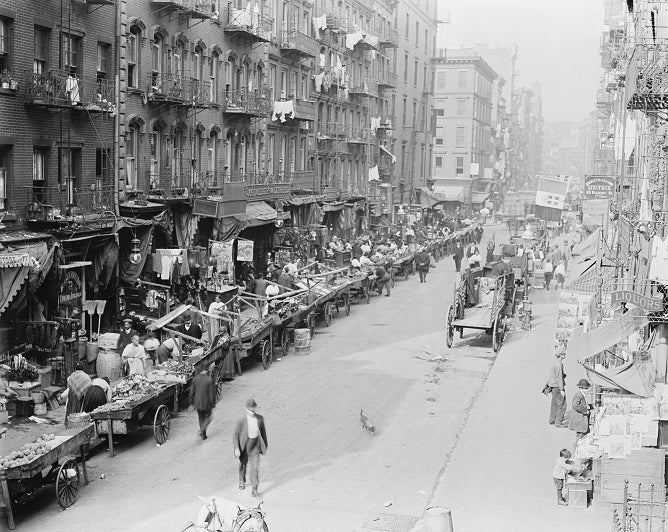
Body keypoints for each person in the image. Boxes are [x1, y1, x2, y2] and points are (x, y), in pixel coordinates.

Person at [233, 398, 268, 497]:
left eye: (253, 410)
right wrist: (236, 448)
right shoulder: (241, 420)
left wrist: (265, 445)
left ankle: (254, 488)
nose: (252, 412)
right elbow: (235, 434)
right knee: (243, 464)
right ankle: (241, 480)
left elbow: (263, 433)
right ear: (246, 410)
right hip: (244, 446)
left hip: (255, 446)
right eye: (250, 410)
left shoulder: (260, 419)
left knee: (255, 468)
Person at [61, 363, 92, 428]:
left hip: (72, 395)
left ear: (75, 368)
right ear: (83, 368)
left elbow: (69, 387)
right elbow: (89, 386)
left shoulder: (71, 376)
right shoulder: (86, 376)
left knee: (70, 409)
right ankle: (78, 425)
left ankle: (69, 424)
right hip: (81, 396)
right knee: (79, 409)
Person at [190, 368, 216, 440]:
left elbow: (192, 392)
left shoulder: (195, 379)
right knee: (209, 417)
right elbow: (211, 394)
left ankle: (203, 435)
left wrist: (191, 403)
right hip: (207, 403)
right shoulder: (209, 380)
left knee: (201, 417)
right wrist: (213, 404)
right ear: (206, 371)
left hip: (198, 403)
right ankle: (202, 431)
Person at [546, 350, 567, 427]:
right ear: (561, 355)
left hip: (552, 386)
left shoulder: (555, 362)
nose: (565, 355)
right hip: (557, 387)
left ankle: (552, 419)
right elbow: (558, 378)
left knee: (554, 403)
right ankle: (558, 422)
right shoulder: (559, 364)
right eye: (564, 353)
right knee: (563, 404)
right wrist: (562, 390)